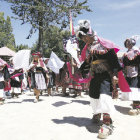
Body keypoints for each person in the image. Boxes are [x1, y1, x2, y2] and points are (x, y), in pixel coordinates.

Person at [76, 20, 121, 139]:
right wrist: (79, 70)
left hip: (106, 75)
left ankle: (107, 123)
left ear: (90, 34)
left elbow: (114, 61)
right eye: (83, 39)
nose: (84, 40)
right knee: (93, 95)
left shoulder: (104, 44)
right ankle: (97, 114)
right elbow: (87, 63)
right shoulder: (88, 49)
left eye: (85, 38)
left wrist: (115, 74)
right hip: (95, 75)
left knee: (104, 96)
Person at [122, 37, 140, 115]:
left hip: (136, 72)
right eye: (126, 43)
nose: (127, 43)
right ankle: (136, 104)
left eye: (129, 42)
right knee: (132, 88)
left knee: (134, 88)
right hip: (129, 72)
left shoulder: (136, 51)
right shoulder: (126, 52)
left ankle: (136, 107)